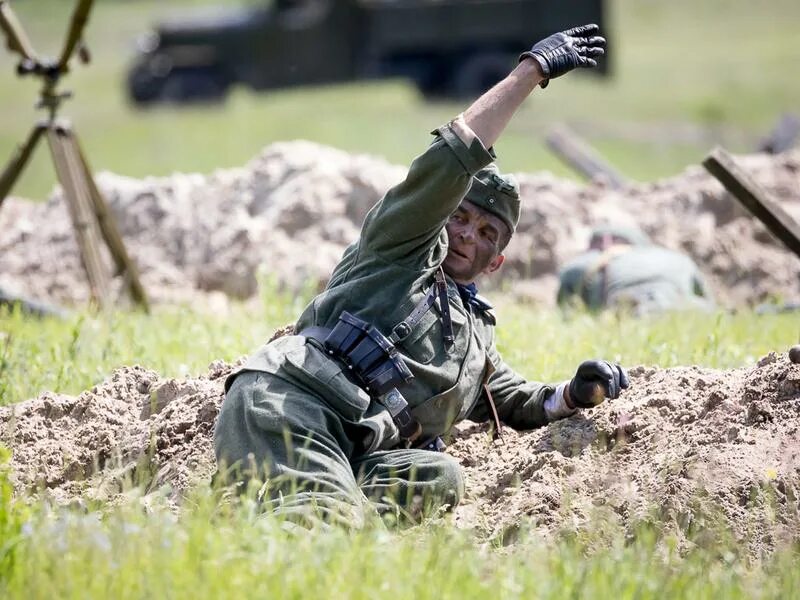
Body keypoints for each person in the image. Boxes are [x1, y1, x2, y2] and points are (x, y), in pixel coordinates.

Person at [214, 24, 628, 524]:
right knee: (321, 528)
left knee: (439, 476)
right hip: (298, 404)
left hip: (356, 444)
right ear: (440, 216)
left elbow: (516, 400)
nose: (470, 235)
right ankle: (316, 519)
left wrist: (575, 394)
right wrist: (530, 71)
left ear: (495, 262)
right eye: (461, 218)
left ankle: (321, 516)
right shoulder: (399, 247)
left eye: (487, 233)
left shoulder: (473, 338)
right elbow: (450, 161)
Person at [557, 224, 715, 314]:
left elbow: (566, 311)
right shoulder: (677, 258)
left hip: (628, 315)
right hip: (685, 312)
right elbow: (708, 299)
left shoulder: (583, 263)